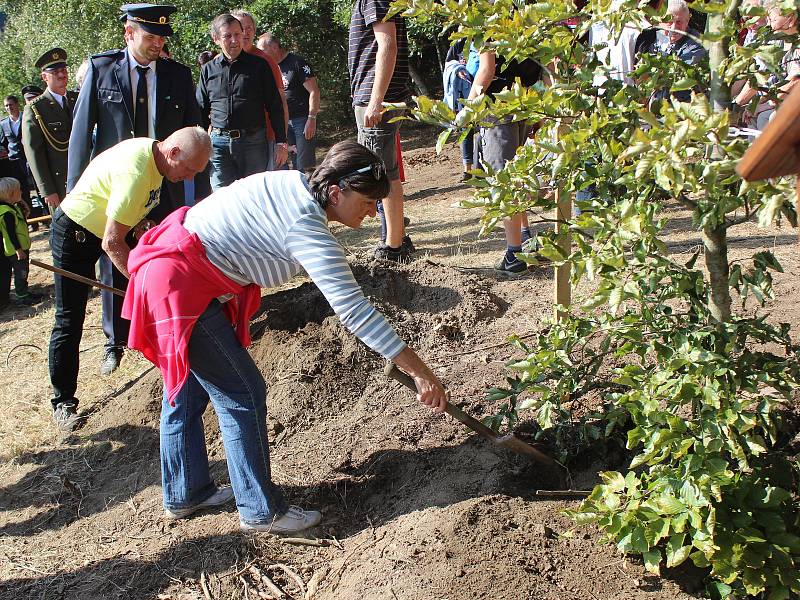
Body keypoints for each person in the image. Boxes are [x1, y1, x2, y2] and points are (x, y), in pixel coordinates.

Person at [121, 139, 447, 532]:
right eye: (366, 199)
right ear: (334, 191)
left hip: (176, 272)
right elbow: (354, 311)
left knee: (191, 387)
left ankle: (185, 491)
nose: (372, 208)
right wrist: (419, 370)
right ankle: (261, 511)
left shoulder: (294, 183)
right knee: (242, 391)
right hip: (180, 282)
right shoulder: (305, 226)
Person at [68, 3, 210, 377]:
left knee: (166, 258)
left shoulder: (178, 75)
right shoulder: (101, 70)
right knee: (115, 260)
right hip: (118, 186)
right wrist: (72, 191)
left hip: (165, 185)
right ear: (128, 33)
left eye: (162, 38)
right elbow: (81, 138)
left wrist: (201, 196)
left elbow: (194, 136)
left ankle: (168, 327)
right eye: (150, 37)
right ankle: (116, 340)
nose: (157, 45)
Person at [48, 127, 211, 432]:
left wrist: (140, 223)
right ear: (173, 152)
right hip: (76, 233)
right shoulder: (137, 172)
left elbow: (122, 210)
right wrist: (142, 288)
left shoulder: (157, 157)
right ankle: (63, 403)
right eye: (189, 169)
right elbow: (112, 242)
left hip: (104, 230)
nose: (190, 178)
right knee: (70, 319)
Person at [348, 0, 414, 262]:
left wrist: (375, 101)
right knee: (386, 172)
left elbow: (388, 45)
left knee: (382, 174)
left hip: (376, 100)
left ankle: (393, 247)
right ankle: (394, 239)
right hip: (376, 97)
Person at [468, 46, 543, 273]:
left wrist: (467, 109)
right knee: (517, 176)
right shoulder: (519, 12)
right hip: (523, 102)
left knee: (504, 182)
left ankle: (514, 253)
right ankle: (524, 236)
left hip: (497, 109)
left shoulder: (484, 18)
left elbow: (487, 69)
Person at [197, 13, 287, 190]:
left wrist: (281, 142)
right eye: (227, 36)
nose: (234, 40)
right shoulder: (208, 70)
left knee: (253, 196)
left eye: (237, 34)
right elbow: (200, 108)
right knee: (221, 198)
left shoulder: (259, 66)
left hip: (253, 142)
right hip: (218, 144)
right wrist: (199, 144)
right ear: (216, 39)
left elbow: (275, 106)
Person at [231, 9, 289, 172]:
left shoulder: (265, 61)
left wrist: (281, 141)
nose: (246, 32)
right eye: (241, 27)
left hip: (263, 139)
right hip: (227, 142)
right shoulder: (218, 62)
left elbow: (281, 102)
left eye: (250, 28)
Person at [22, 49, 77, 214]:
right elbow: (34, 152)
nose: (62, 75)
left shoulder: (78, 99)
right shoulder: (35, 108)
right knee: (66, 232)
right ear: (44, 77)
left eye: (63, 70)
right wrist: (47, 189)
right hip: (59, 183)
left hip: (86, 175)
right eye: (55, 72)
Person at [259, 32, 321, 171]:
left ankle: (308, 190)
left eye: (263, 50)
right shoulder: (270, 68)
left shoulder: (297, 62)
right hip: (282, 122)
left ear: (274, 47)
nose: (260, 54)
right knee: (286, 162)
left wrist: (312, 118)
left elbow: (314, 91)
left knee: (304, 164)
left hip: (302, 120)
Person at [634, 0, 708, 108]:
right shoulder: (647, 38)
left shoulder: (695, 45)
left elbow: (674, 76)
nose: (673, 28)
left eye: (679, 22)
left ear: (687, 22)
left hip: (681, 108)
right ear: (659, 20)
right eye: (669, 21)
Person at [0, 177, 39, 308]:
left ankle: (24, 292)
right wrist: (18, 250)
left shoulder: (13, 207)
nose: (21, 192)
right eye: (19, 190)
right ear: (11, 194)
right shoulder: (7, 213)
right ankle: (22, 295)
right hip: (16, 250)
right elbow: (11, 234)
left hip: (21, 247)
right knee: (20, 272)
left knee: (24, 270)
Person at [443, 40, 474, 180]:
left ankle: (481, 167)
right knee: (466, 132)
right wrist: (458, 70)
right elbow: (449, 65)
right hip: (463, 96)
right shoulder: (458, 44)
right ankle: (467, 169)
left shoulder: (484, 39)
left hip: (482, 94)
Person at [0, 96, 34, 216]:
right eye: (6, 106)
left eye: (11, 104)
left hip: (30, 159)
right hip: (14, 162)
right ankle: (31, 219)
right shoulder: (3, 124)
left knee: (38, 188)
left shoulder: (27, 116)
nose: (9, 107)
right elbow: (4, 143)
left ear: (17, 104)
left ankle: (47, 217)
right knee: (22, 192)